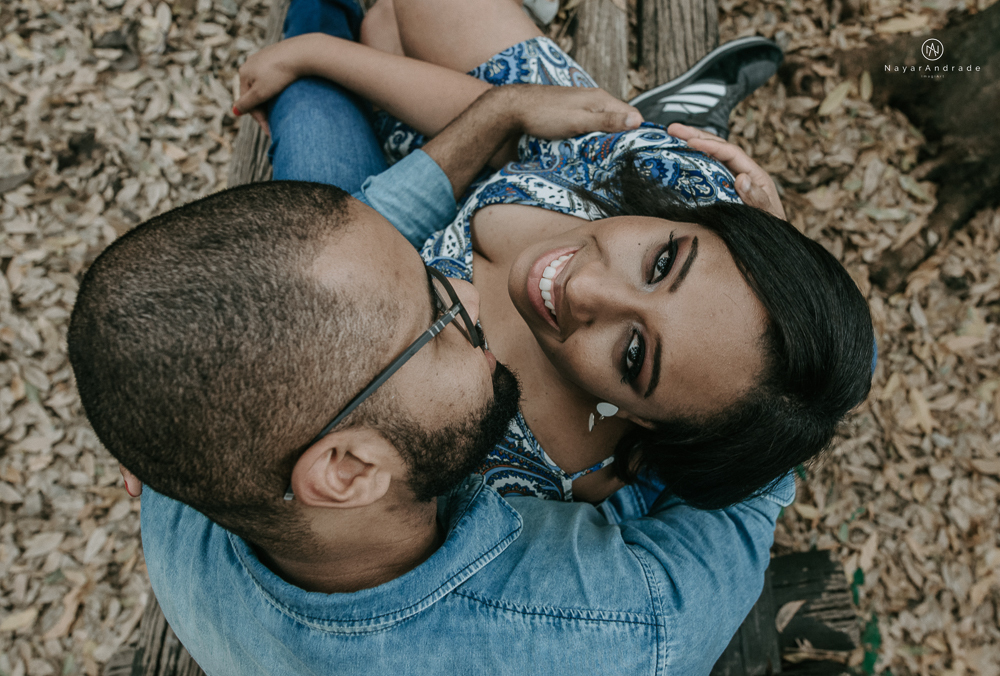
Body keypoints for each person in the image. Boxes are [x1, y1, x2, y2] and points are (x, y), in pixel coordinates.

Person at [68, 41, 796, 675]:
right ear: (347, 470)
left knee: (313, 106)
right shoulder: (611, 637)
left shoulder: (193, 459)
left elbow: (358, 233)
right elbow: (765, 466)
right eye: (441, 320)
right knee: (313, 104)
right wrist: (790, 303)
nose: (475, 297)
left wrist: (499, 114)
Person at [232, 0, 875, 505]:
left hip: (372, 227)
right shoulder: (678, 185)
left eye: (633, 355)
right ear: (702, 223)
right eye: (660, 265)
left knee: (320, 90)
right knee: (404, 14)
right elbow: (497, 120)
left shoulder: (495, 460)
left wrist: (314, 53)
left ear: (642, 424)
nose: (586, 290)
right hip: (511, 147)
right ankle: (655, 114)